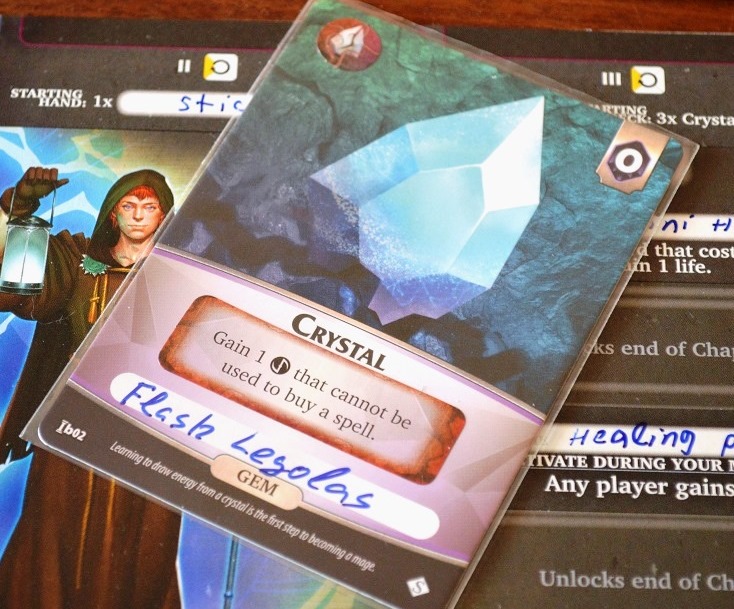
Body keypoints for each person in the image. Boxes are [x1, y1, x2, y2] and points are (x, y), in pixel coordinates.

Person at [0, 166, 182, 608]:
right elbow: (16, 291)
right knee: (58, 535)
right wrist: (20, 207)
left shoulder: (185, 280)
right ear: (113, 213)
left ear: (164, 215)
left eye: (149, 206)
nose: (138, 214)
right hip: (73, 432)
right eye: (129, 205)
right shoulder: (78, 263)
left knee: (142, 550)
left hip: (149, 439)